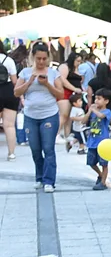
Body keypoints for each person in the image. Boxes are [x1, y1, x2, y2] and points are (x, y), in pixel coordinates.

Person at [14, 42, 62, 192]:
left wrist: (47, 84)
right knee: (35, 149)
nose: (41, 62)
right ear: (33, 57)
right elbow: (16, 92)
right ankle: (39, 177)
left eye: (44, 58)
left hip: (49, 114)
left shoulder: (54, 73)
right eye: (38, 58)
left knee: (48, 148)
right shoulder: (25, 73)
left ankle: (49, 181)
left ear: (48, 58)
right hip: (30, 115)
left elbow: (60, 94)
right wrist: (29, 82)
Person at [79, 88, 111, 191]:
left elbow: (101, 116)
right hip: (92, 141)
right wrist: (89, 111)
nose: (96, 101)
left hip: (103, 143)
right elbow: (83, 121)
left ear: (106, 101)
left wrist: (94, 110)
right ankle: (100, 175)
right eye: (95, 98)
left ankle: (103, 182)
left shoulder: (107, 111)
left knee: (104, 163)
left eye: (99, 99)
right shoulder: (93, 112)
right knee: (91, 162)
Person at [57, 52, 84, 139]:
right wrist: (74, 88)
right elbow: (62, 80)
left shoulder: (77, 68)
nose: (79, 63)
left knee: (69, 117)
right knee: (64, 115)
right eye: (77, 61)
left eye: (80, 61)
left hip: (75, 94)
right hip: (65, 93)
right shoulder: (65, 67)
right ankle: (56, 134)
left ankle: (67, 135)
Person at [88, 62, 111, 134]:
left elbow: (89, 96)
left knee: (97, 125)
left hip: (97, 105)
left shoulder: (92, 82)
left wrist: (90, 107)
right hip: (109, 104)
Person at [0, 41, 19, 161]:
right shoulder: (8, 60)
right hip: (8, 91)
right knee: (9, 125)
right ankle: (11, 153)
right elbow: (15, 81)